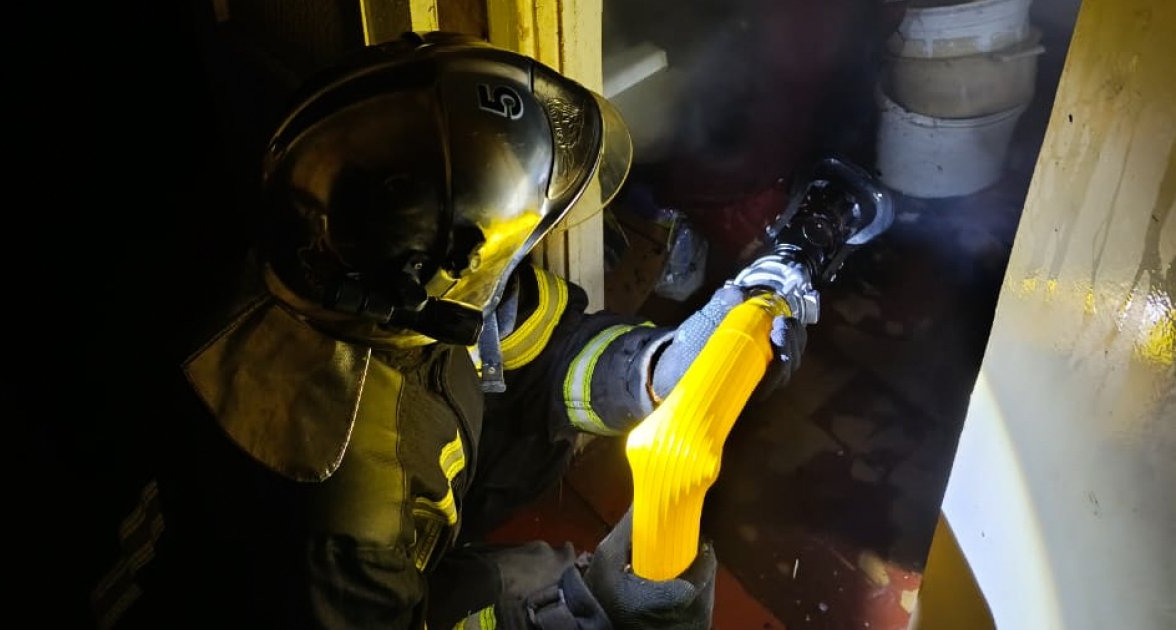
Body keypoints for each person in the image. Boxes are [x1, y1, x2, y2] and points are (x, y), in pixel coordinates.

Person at [147, 31, 806, 630]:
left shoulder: (375, 277)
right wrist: (574, 615)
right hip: (349, 600)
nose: (519, 261)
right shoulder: (346, 508)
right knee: (569, 587)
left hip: (415, 529)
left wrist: (654, 367)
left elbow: (544, 340)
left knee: (543, 552)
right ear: (448, 267)